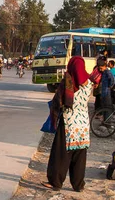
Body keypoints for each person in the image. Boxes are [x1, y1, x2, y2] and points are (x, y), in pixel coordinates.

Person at [42, 56, 93, 192]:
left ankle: (56, 182)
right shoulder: (88, 83)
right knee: (80, 155)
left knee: (61, 154)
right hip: (83, 124)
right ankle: (78, 185)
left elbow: (58, 102)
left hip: (69, 122)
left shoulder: (68, 83)